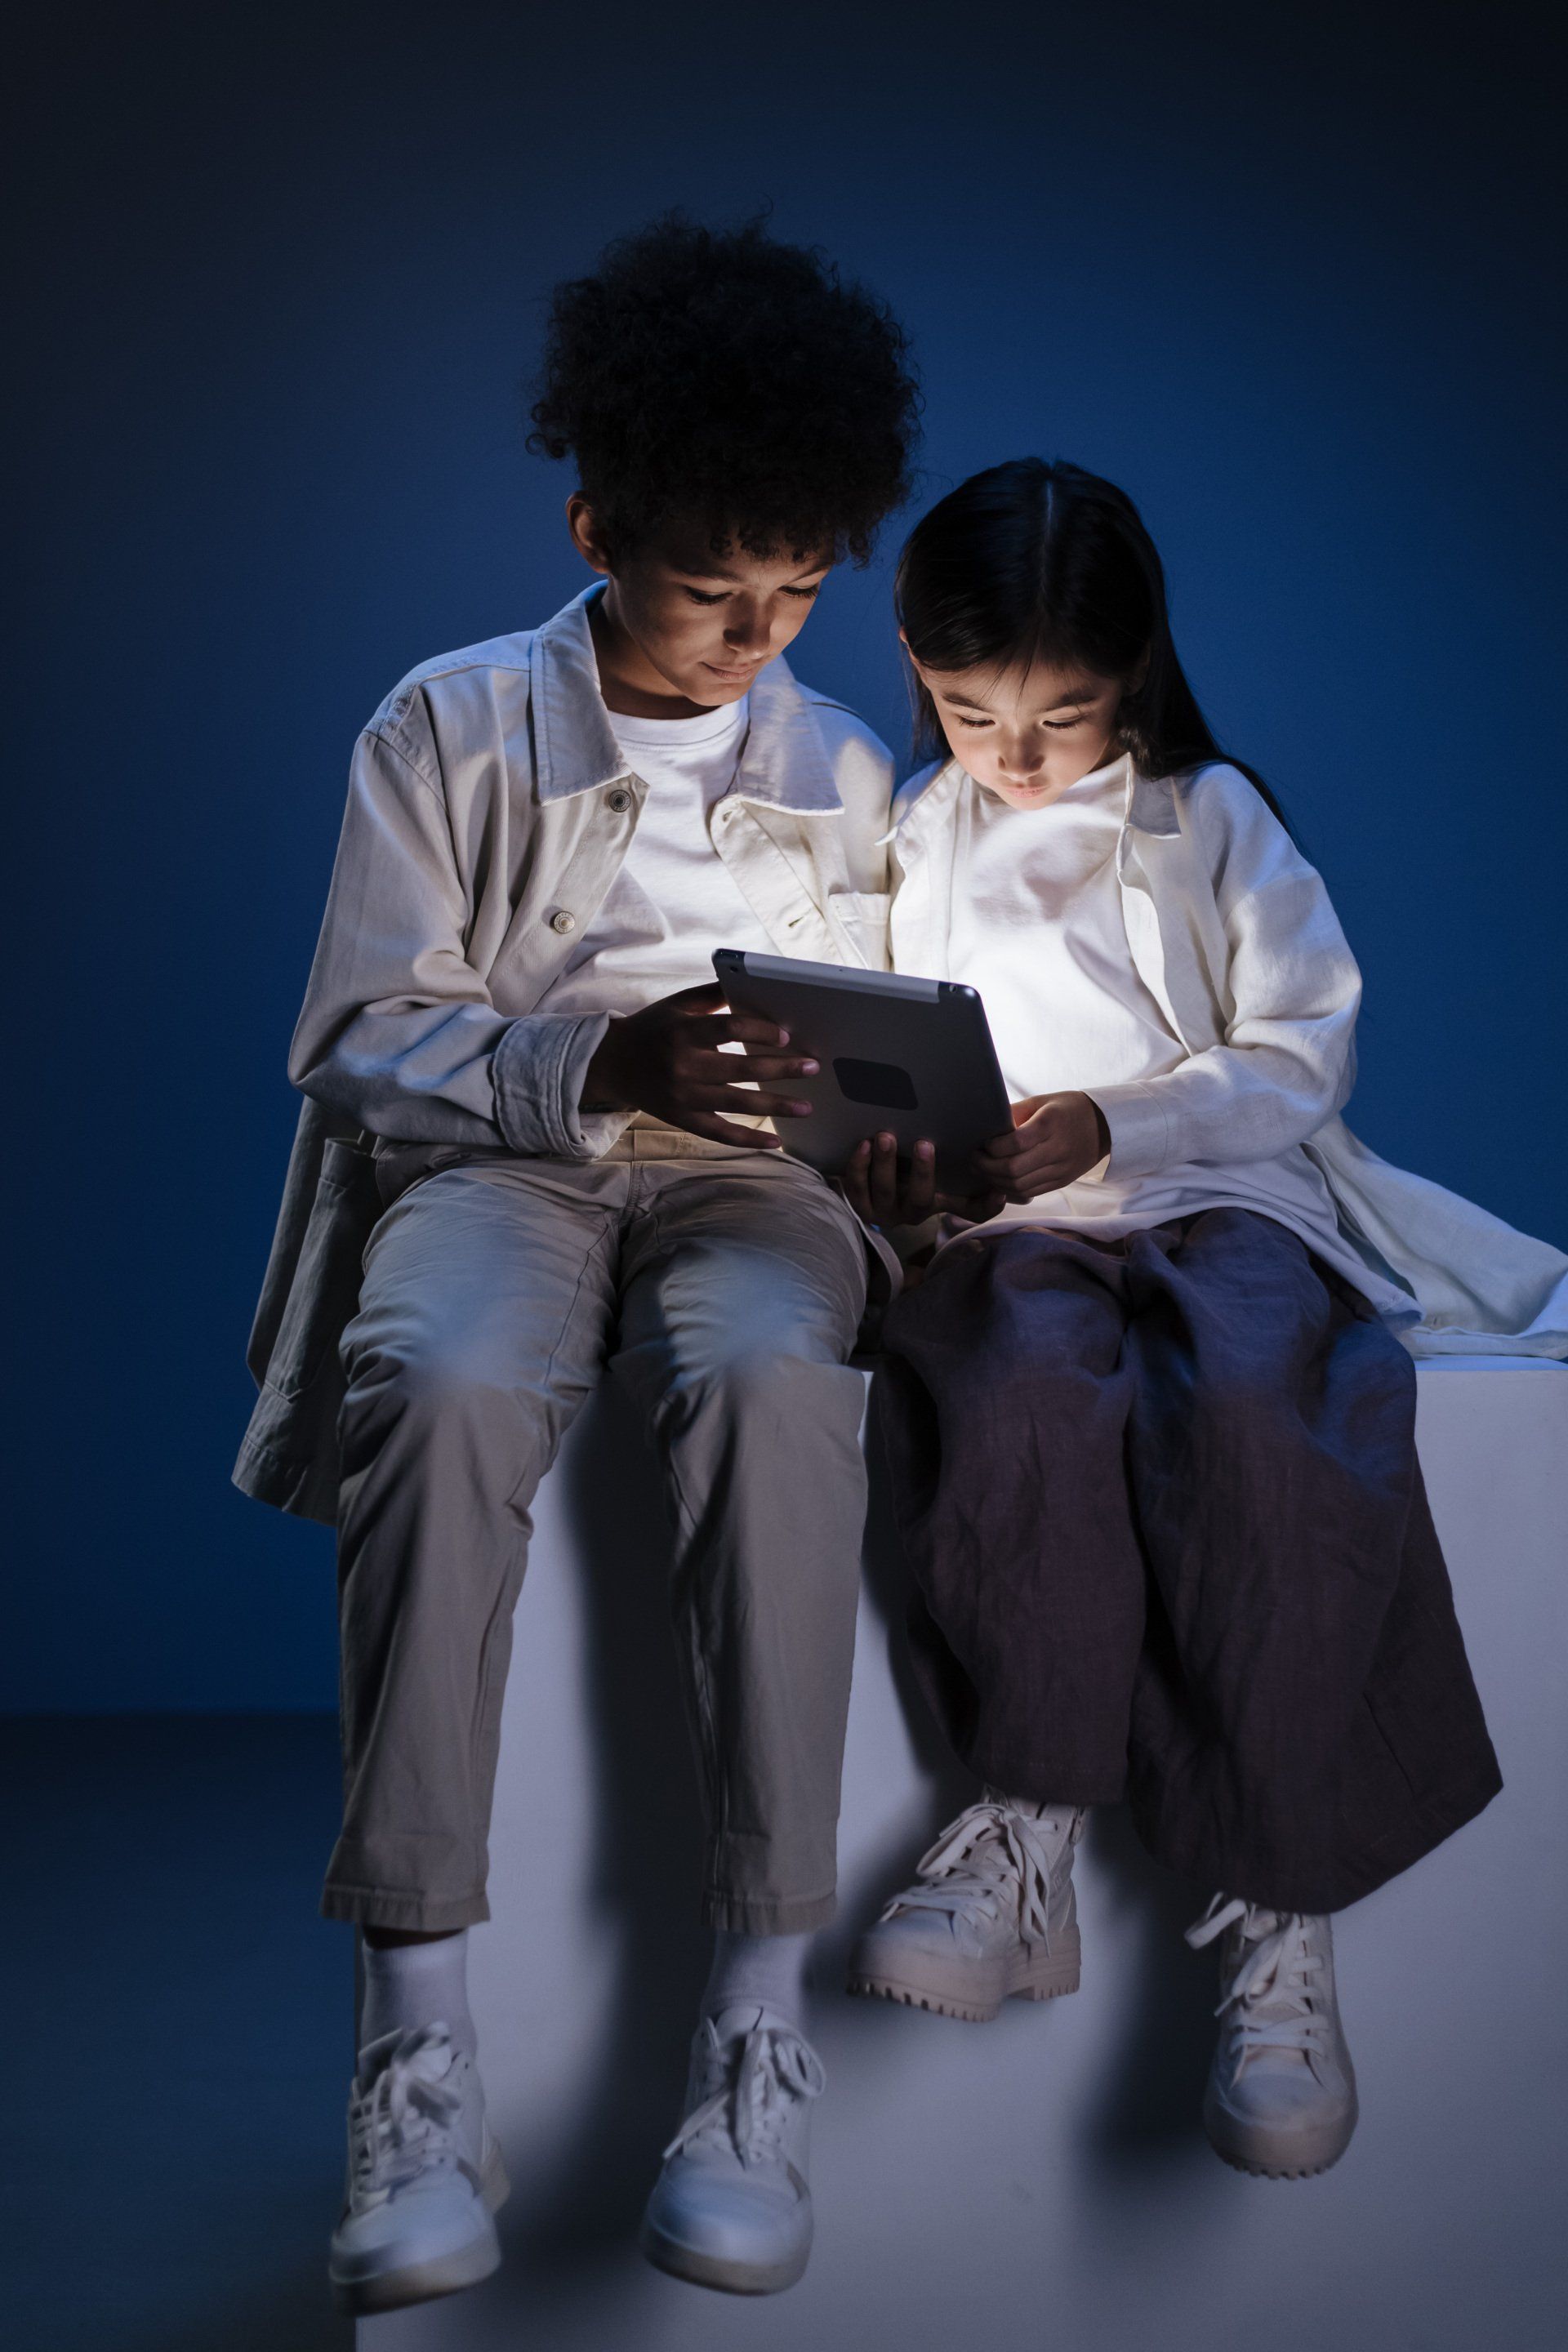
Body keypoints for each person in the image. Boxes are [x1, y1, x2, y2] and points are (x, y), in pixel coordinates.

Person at [233, 214, 920, 2310]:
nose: (755, 632)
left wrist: (894, 1130)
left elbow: (902, 1040)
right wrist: (588, 1056)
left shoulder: (849, 769)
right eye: (715, 586)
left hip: (755, 1184)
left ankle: (754, 2025)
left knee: (782, 1381)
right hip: (506, 1163)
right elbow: (358, 1040)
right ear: (597, 523)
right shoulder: (442, 725)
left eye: (800, 591)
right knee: (433, 1384)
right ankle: (417, 2057)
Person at [843, 458, 1568, 2180]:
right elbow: (883, 1039)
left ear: (1142, 671)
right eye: (971, 713)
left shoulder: (1219, 817)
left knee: (1263, 1409)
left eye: (1067, 715)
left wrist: (1126, 1121)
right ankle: (1022, 1820)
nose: (1017, 758)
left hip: (1226, 1196)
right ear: (913, 665)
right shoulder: (909, 832)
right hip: (1018, 1227)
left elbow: (1302, 1055)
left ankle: (1280, 1899)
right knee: (1016, 1387)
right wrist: (918, 1171)